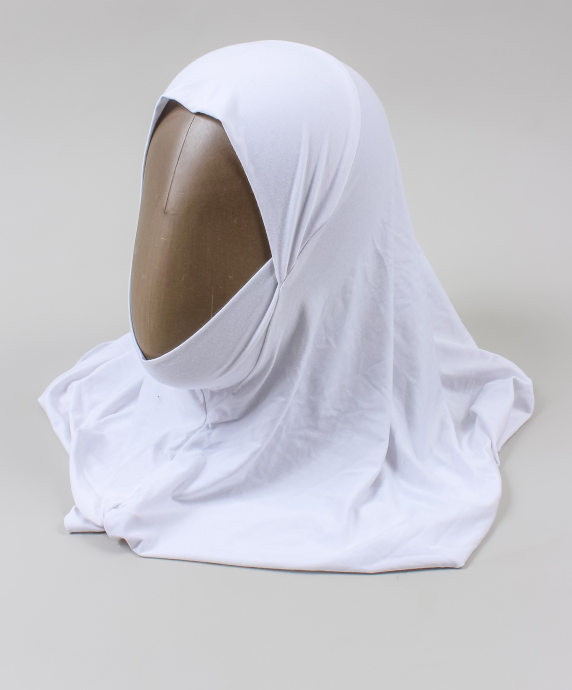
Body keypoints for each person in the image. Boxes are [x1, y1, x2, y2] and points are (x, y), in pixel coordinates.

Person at [39, 41, 534, 573]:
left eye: (213, 220)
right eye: (162, 208)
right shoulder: (112, 408)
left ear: (328, 235)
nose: (163, 274)